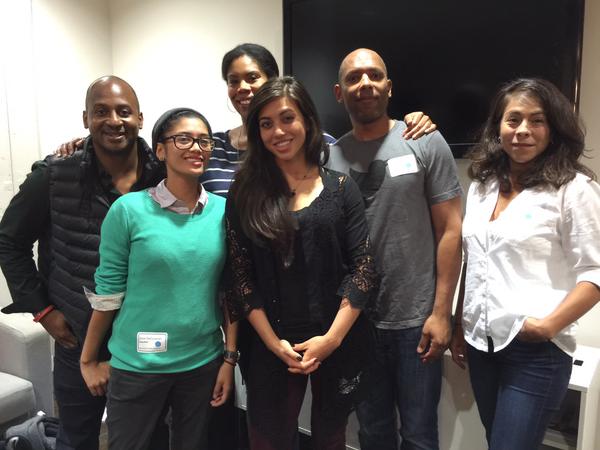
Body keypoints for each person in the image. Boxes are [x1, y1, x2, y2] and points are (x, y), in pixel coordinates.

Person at [0, 76, 168, 450]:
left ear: (140, 118)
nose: (113, 120)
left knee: (150, 436)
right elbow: (9, 241)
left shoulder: (164, 176)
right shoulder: (55, 175)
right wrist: (43, 310)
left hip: (146, 339)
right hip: (78, 335)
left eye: (124, 111)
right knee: (77, 438)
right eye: (101, 112)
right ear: (85, 119)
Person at [225, 76, 379, 450]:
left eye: (287, 118)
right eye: (265, 123)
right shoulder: (244, 193)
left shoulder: (342, 188)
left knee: (330, 436)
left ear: (307, 121)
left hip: (335, 338)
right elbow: (240, 274)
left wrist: (331, 340)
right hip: (269, 342)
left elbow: (363, 267)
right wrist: (273, 343)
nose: (278, 131)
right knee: (268, 439)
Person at [449, 78, 600, 450]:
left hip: (535, 353)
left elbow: (594, 273)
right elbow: (474, 259)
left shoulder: (573, 188)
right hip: (481, 345)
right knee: (496, 440)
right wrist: (458, 323)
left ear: (554, 129)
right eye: (513, 119)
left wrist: (547, 327)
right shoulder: (483, 185)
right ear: (497, 126)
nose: (522, 131)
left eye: (537, 121)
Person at [327, 48, 463, 450]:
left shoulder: (423, 140)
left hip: (415, 320)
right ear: (339, 92)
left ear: (389, 87)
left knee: (420, 435)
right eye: (354, 78)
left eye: (374, 75)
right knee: (372, 433)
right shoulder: (330, 156)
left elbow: (451, 230)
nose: (365, 83)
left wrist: (442, 312)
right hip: (357, 322)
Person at [79, 107, 236, 450]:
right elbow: (108, 292)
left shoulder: (224, 212)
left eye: (203, 140)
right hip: (138, 364)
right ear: (161, 150)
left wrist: (228, 358)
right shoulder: (128, 210)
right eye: (183, 138)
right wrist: (89, 358)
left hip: (201, 363)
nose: (196, 147)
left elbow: (231, 293)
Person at [200, 42, 437, 196]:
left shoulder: (322, 145)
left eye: (252, 77)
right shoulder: (213, 146)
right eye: (233, 81)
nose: (242, 87)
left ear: (273, 81)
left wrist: (412, 122)